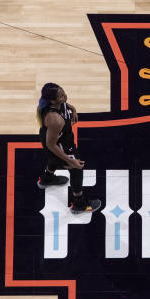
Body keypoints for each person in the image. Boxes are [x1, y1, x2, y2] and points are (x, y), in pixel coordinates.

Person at [37, 83, 102, 213]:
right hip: (59, 145)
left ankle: (46, 179)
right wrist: (70, 160)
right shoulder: (56, 120)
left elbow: (64, 104)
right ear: (52, 100)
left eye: (63, 92)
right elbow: (51, 145)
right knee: (77, 169)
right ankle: (79, 204)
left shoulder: (48, 103)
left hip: (52, 137)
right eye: (61, 96)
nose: (65, 96)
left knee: (53, 159)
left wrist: (73, 109)